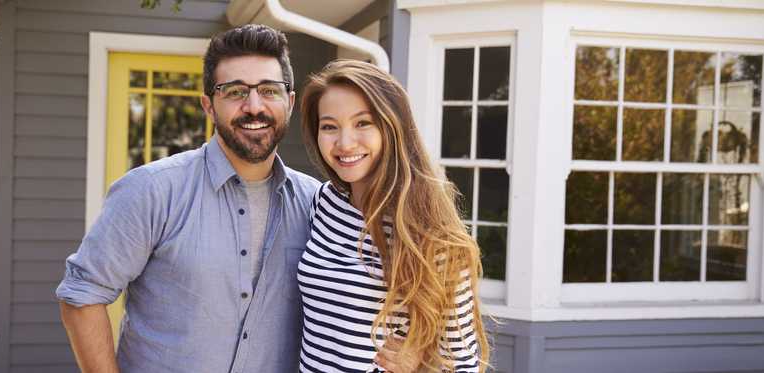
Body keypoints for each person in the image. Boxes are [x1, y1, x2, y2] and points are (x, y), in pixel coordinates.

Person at [55, 24, 319, 373]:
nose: (254, 106)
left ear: (290, 101)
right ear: (209, 106)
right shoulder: (151, 190)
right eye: (235, 91)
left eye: (269, 90)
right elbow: (81, 296)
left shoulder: (316, 203)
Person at [298, 60, 490, 373]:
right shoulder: (324, 203)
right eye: (329, 126)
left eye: (362, 123)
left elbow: (464, 362)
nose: (344, 143)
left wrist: (423, 366)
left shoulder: (431, 232)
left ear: (392, 127)